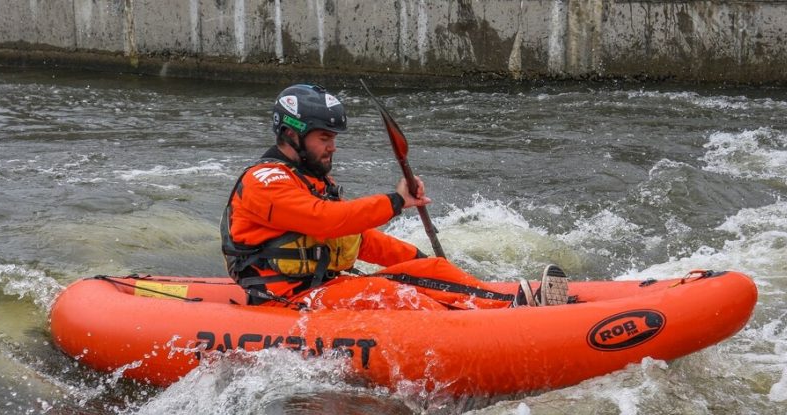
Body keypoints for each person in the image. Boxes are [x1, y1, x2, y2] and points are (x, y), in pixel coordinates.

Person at [220, 83, 567, 308]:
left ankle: (508, 300)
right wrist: (396, 201)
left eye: (333, 138)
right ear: (291, 135)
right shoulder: (264, 182)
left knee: (429, 267)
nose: (332, 147)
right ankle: (511, 307)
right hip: (282, 298)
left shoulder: (310, 180)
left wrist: (412, 258)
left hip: (318, 287)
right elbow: (326, 222)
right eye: (323, 137)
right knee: (393, 294)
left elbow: (357, 240)